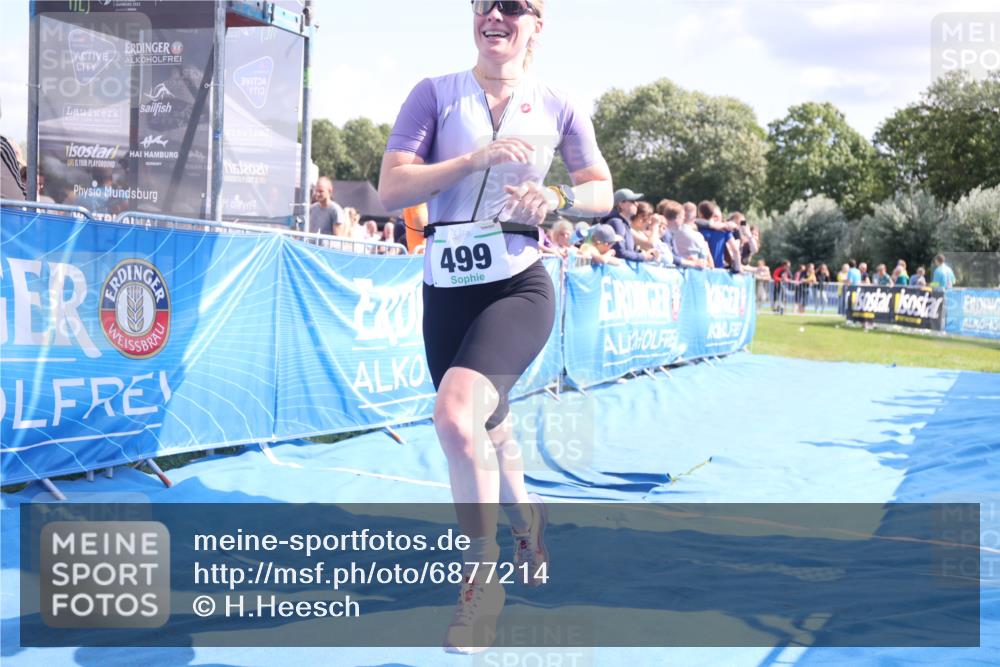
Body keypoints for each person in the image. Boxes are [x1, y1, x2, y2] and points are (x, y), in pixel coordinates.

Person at [378, 0, 613, 653]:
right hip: (446, 287)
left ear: (537, 23)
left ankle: (482, 586)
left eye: (514, 6)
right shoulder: (433, 94)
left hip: (517, 282)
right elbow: (391, 189)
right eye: (485, 3)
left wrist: (561, 198)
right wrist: (469, 162)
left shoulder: (559, 102)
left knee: (456, 413)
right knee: (489, 424)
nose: (496, 14)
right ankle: (528, 518)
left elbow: (601, 189)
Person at [601, 188, 657, 262]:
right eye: (633, 201)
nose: (637, 204)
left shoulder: (623, 223)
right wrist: (643, 256)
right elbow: (620, 253)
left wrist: (643, 254)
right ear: (621, 204)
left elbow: (626, 251)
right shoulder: (616, 222)